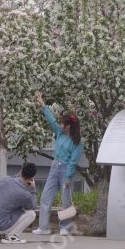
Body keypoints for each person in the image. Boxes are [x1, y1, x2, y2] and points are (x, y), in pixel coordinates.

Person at [32, 94, 83, 236]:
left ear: (68, 127)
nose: (60, 125)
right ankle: (44, 227)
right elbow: (51, 120)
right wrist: (43, 105)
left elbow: (73, 162)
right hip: (54, 166)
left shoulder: (77, 141)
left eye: (63, 124)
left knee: (66, 200)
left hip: (66, 169)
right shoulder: (60, 133)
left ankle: (65, 227)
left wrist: (68, 178)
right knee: (45, 197)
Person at [0, 163, 38, 244]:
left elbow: (15, 179)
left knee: (6, 205)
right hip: (0, 227)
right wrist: (33, 189)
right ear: (31, 178)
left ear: (21, 172)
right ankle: (12, 236)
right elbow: (33, 206)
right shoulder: (25, 194)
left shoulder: (5, 179)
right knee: (31, 214)